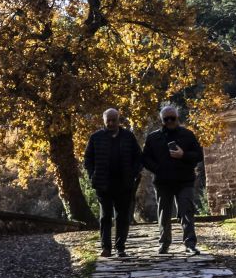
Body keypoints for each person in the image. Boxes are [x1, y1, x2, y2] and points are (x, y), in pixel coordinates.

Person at [142, 101, 205, 254]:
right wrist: (158, 169)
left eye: (172, 118)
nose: (169, 121)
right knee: (164, 214)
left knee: (187, 212)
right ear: (161, 121)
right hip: (163, 182)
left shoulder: (188, 135)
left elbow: (198, 155)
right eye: (166, 119)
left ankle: (190, 244)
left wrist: (184, 155)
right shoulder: (153, 138)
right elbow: (145, 159)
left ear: (177, 118)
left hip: (185, 181)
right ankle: (164, 243)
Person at [83, 107, 144, 258]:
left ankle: (120, 247)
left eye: (113, 120)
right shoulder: (96, 137)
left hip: (124, 184)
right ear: (104, 121)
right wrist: (92, 174)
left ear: (119, 120)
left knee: (122, 217)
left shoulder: (128, 137)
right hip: (103, 184)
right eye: (107, 121)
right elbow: (88, 159)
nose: (110, 123)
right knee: (105, 216)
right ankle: (106, 248)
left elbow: (139, 157)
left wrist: (134, 173)